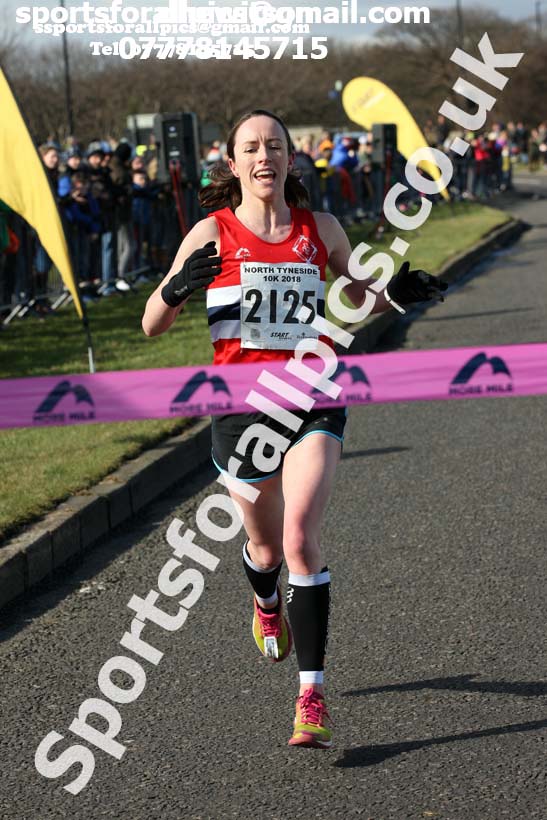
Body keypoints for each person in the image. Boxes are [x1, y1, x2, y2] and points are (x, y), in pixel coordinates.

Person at [142, 109, 446, 749]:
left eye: (275, 146)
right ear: (233, 164)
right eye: (252, 148)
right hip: (241, 412)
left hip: (313, 397)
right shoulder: (211, 231)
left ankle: (311, 694)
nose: (265, 156)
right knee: (266, 550)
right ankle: (266, 601)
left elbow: (361, 294)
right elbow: (151, 324)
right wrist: (177, 287)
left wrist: (400, 291)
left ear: (289, 158)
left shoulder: (320, 227)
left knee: (301, 536)